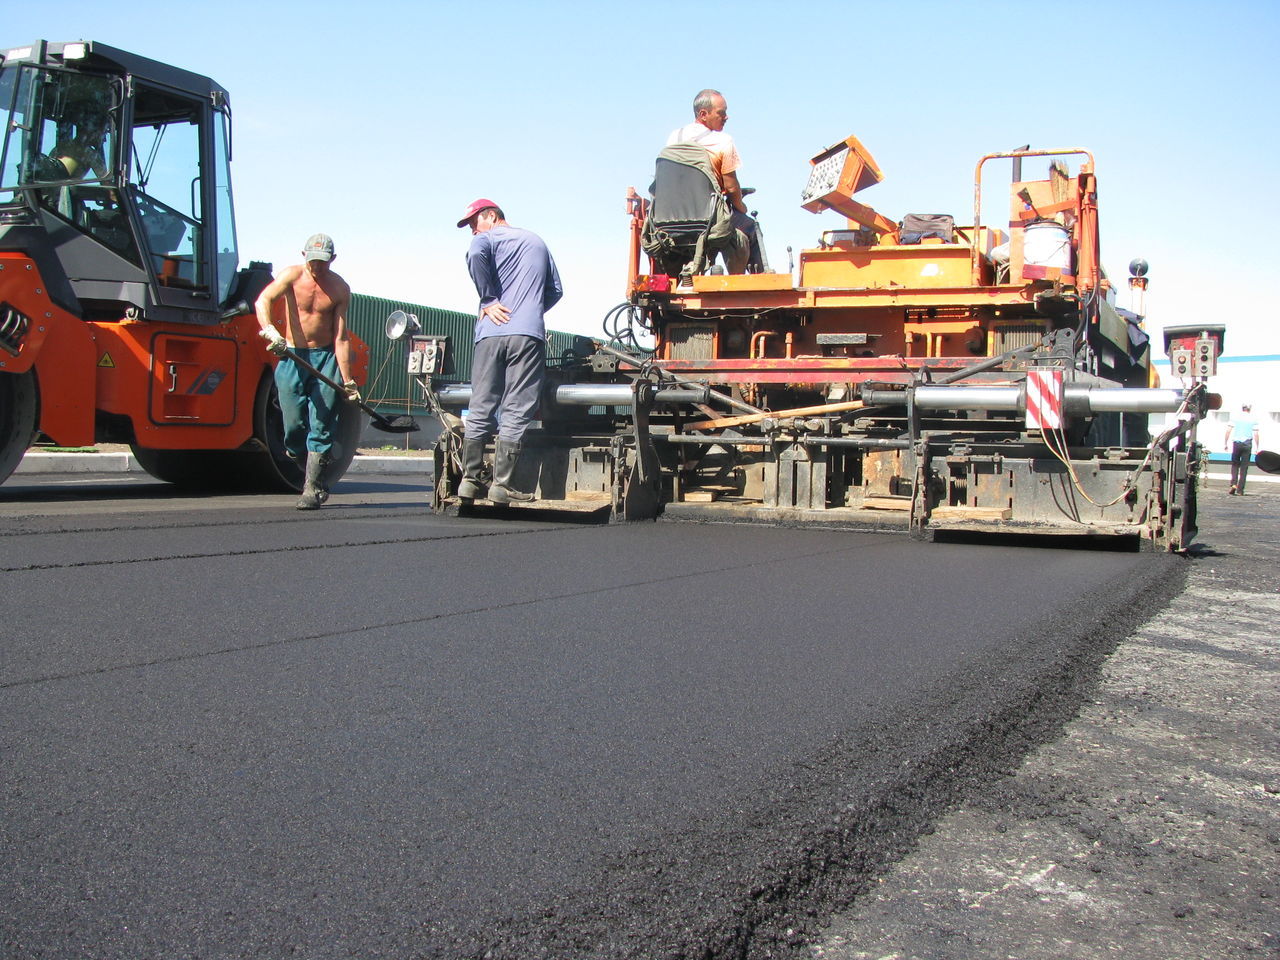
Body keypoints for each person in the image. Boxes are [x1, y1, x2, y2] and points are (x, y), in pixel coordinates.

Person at [456, 199, 562, 504]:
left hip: (490, 333)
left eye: (474, 223)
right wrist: (529, 311)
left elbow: (475, 251)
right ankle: (501, 485)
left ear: (491, 216)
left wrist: (488, 300)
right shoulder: (536, 241)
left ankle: (469, 480)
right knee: (516, 408)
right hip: (527, 335)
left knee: (481, 404)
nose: (473, 231)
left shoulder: (485, 239)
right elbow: (556, 290)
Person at [255, 233, 358, 510]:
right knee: (293, 427)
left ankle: (312, 488)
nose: (317, 267)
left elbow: (341, 337)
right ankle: (304, 462)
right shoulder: (291, 276)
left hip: (325, 358)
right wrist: (269, 330)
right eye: (313, 261)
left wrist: (348, 381)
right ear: (304, 256)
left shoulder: (339, 288)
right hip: (291, 355)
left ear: (332, 260)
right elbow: (262, 301)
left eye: (323, 262)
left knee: (323, 424)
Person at [666, 88, 760, 272]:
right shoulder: (723, 141)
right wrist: (741, 207)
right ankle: (755, 284)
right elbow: (731, 187)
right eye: (721, 113)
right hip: (708, 219)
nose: (726, 117)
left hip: (671, 219)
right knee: (749, 226)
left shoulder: (673, 138)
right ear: (703, 114)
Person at [1224, 403, 1260, 495]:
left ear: (1242, 408)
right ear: (1249, 409)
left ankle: (1233, 484)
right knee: (1244, 468)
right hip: (1247, 444)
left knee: (1235, 465)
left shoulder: (1235, 418)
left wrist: (1225, 443)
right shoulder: (1253, 419)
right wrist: (1257, 447)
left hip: (1237, 443)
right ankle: (1240, 490)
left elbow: (1228, 430)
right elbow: (1256, 434)